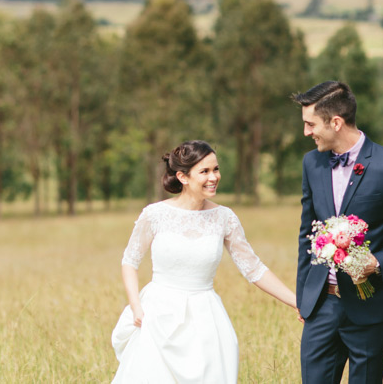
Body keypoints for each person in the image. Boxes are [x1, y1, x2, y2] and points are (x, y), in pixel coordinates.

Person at [111, 140, 297, 383]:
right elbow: (130, 261)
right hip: (158, 316)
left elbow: (253, 268)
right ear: (183, 177)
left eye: (216, 169)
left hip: (206, 319)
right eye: (205, 171)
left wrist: (296, 302)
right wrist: (136, 306)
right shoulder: (155, 214)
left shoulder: (224, 218)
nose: (214, 177)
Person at [293, 81, 383, 384]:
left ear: (336, 122)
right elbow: (306, 234)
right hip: (321, 308)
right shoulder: (311, 163)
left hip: (372, 309)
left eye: (310, 124)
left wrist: (376, 263)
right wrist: (305, 297)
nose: (306, 132)